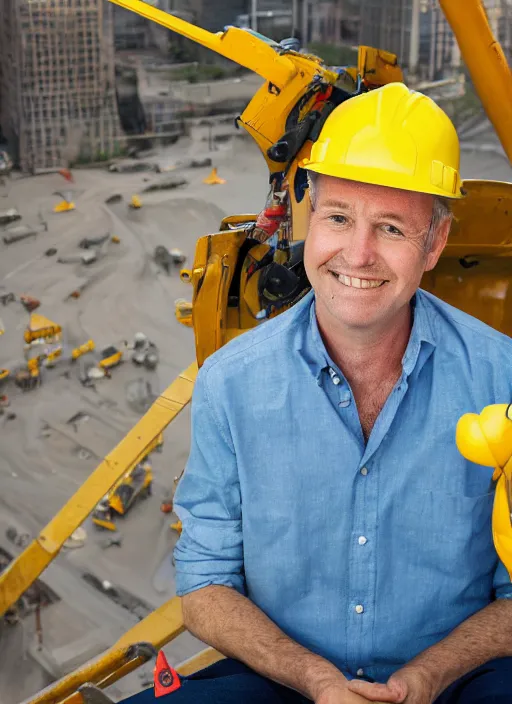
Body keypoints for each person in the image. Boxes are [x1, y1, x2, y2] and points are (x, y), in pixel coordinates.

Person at [128, 83, 512, 703]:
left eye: (391, 227)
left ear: (435, 245)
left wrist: (431, 674)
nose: (356, 255)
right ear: (311, 218)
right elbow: (204, 584)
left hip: (460, 684)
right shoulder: (232, 381)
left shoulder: (503, 377)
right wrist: (314, 679)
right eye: (338, 218)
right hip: (285, 683)